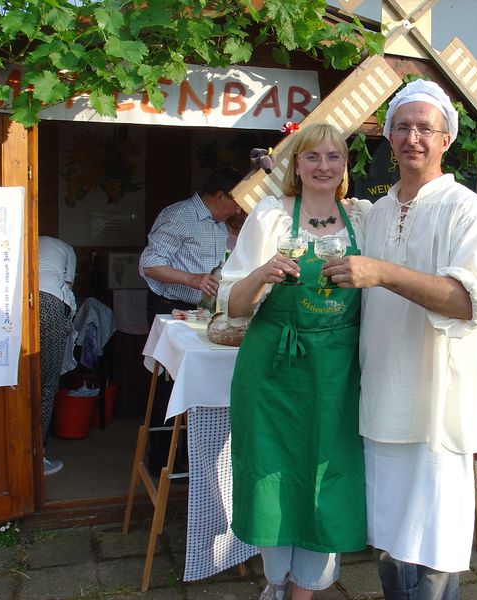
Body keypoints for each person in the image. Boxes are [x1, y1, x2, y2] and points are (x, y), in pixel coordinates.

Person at [323, 80, 477, 598]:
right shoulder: (373, 213)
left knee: (435, 545)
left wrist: (382, 272)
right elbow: (312, 199)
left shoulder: (465, 209)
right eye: (402, 126)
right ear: (389, 139)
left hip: (435, 405)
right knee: (391, 541)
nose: (412, 137)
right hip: (381, 402)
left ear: (446, 139)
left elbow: (467, 302)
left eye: (425, 127)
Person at [218, 123, 372, 600]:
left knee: (327, 475)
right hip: (273, 370)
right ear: (296, 166)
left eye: (333, 158)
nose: (323, 166)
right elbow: (233, 305)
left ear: (345, 167)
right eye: (312, 158)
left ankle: (304, 590)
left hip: (336, 372)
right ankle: (276, 582)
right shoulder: (270, 217)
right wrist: (263, 273)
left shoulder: (363, 220)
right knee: (273, 475)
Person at [139, 169, 240, 474]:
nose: (237, 209)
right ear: (220, 196)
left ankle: (198, 460)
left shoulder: (220, 222)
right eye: (235, 202)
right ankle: (161, 461)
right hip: (171, 307)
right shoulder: (180, 216)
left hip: (203, 311)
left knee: (199, 382)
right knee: (168, 386)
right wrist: (193, 279)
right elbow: (149, 264)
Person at [38, 236, 78, 476]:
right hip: (50, 303)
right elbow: (68, 285)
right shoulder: (67, 248)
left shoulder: (23, 240)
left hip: (16, 300)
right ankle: (38, 458)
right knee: (46, 384)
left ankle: (13, 454)